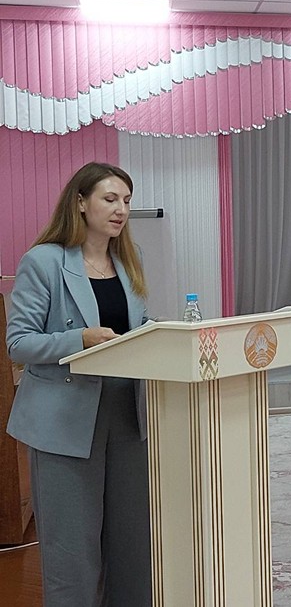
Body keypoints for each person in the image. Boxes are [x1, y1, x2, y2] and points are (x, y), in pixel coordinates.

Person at [5, 162, 151, 606]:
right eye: (110, 199)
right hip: (65, 422)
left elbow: (137, 327)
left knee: (132, 546)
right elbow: (18, 343)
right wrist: (79, 339)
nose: (121, 209)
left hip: (127, 417)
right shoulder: (43, 261)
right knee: (72, 551)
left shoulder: (129, 257)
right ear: (81, 202)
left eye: (126, 200)